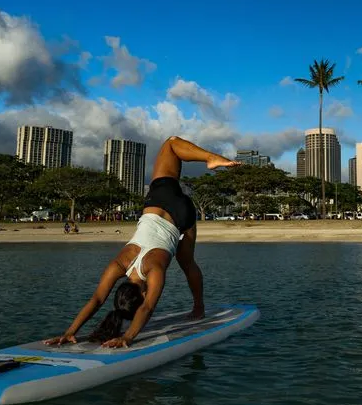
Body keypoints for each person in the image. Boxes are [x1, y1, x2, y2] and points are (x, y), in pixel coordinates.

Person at [44, 136, 239, 349]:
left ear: (142, 293)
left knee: (187, 262)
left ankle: (199, 309)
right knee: (171, 143)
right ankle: (210, 158)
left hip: (183, 216)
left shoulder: (155, 269)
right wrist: (70, 332)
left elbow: (147, 308)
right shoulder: (119, 264)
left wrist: (128, 337)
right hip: (157, 202)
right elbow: (97, 299)